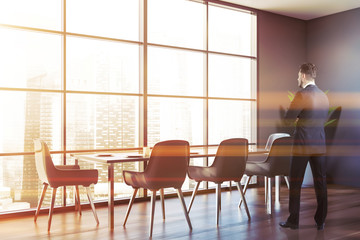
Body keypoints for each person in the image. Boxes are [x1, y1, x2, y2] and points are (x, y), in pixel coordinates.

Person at [279, 63, 329, 230]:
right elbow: (320, 119)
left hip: (302, 146)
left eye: (298, 75)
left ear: (303, 75)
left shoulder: (301, 94)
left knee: (295, 183)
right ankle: (320, 221)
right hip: (319, 146)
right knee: (320, 182)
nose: (297, 78)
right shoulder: (323, 96)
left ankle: (294, 221)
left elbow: (287, 120)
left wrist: (297, 117)